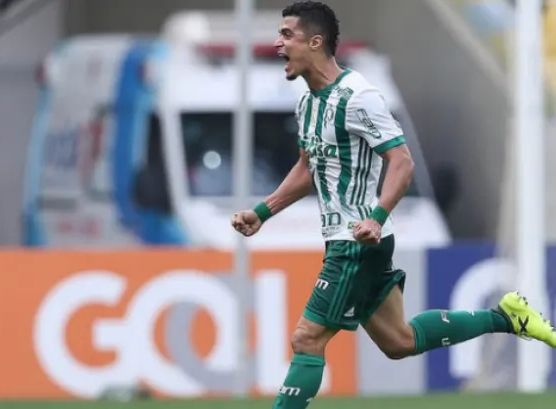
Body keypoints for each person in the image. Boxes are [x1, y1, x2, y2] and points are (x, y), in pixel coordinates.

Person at [230, 2, 556, 408]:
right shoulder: (308, 103)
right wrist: (262, 213)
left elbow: (401, 162)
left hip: (356, 240)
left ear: (315, 42)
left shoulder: (359, 96)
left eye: (286, 35)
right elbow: (307, 166)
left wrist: (377, 217)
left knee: (307, 337)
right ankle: (506, 317)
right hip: (345, 239)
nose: (277, 43)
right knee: (399, 341)